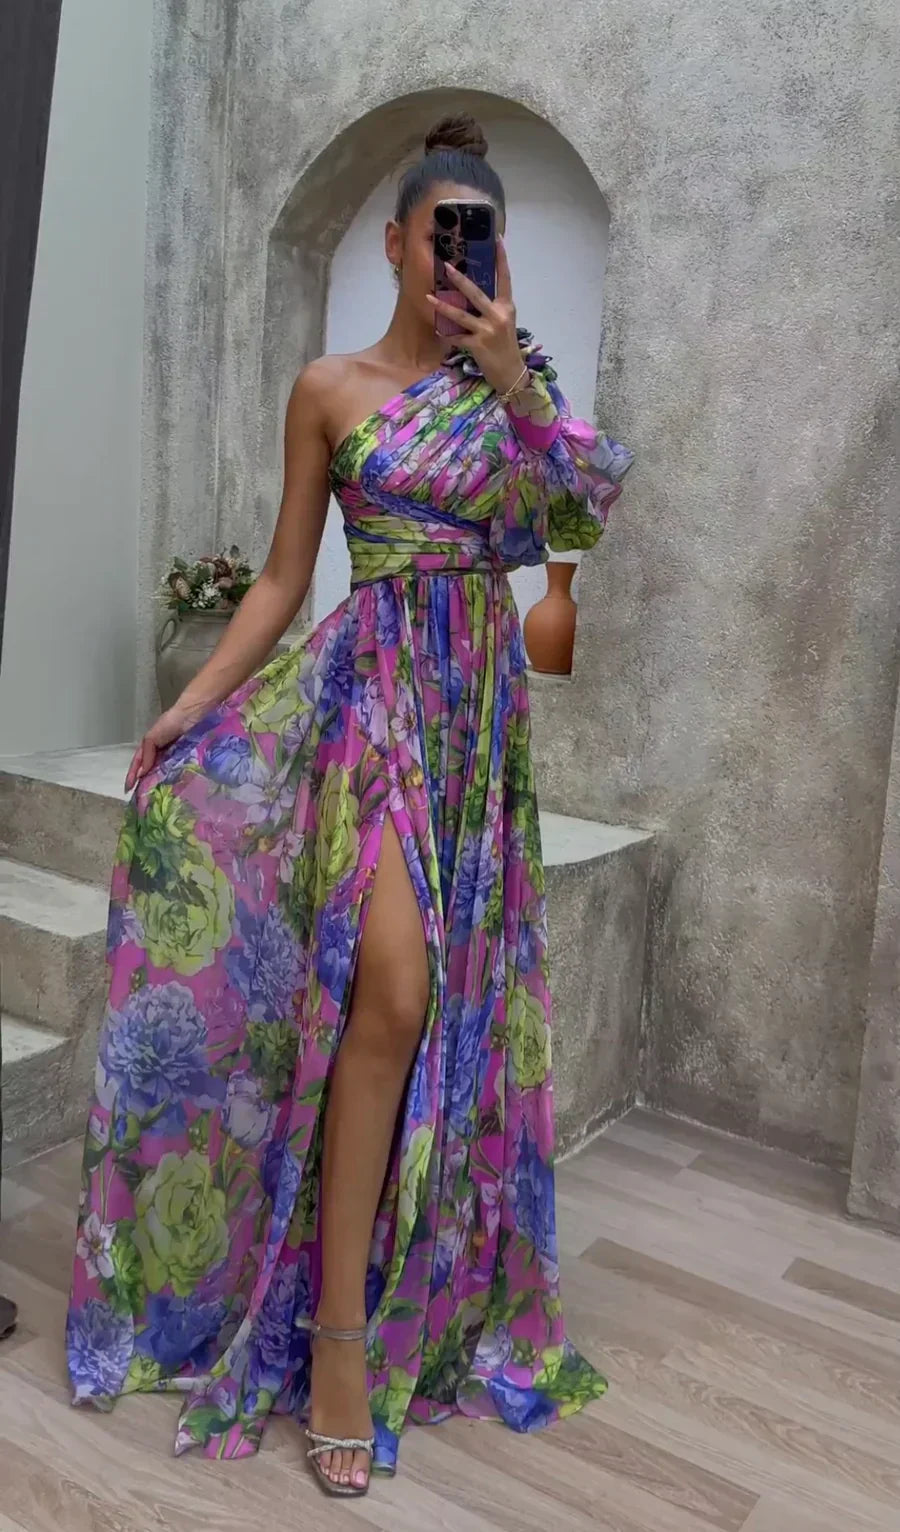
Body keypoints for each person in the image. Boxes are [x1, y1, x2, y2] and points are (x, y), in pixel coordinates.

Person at [65, 114, 632, 1499]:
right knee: (389, 993)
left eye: (478, 238)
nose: (456, 259)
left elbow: (579, 523)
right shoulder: (328, 388)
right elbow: (280, 577)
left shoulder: (519, 388)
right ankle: (330, 1339)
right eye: (438, 234)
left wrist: (515, 381)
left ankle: (402, 1269)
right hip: (372, 697)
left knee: (437, 1010)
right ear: (393, 241)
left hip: (476, 715)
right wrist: (191, 705)